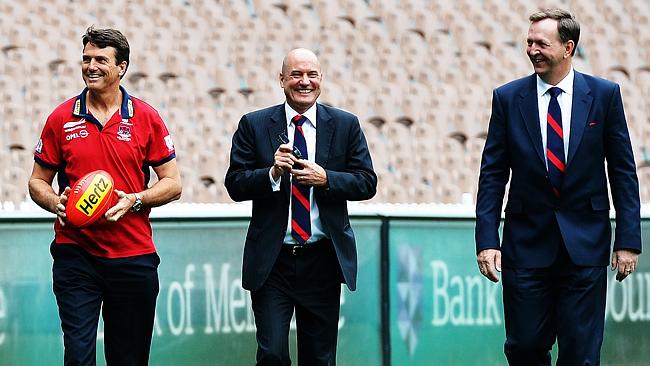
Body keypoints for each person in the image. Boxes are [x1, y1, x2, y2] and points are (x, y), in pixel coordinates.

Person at [475, 8, 642, 365]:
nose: (533, 49)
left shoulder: (604, 95)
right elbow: (492, 174)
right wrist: (487, 240)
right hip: (525, 246)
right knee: (524, 347)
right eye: (529, 42)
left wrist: (628, 240)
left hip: (585, 245)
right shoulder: (507, 98)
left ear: (568, 47)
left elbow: (623, 171)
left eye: (542, 43)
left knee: (581, 353)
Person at [28, 26, 182, 365]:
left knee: (128, 358)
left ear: (121, 68)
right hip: (76, 254)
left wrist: (136, 199)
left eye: (101, 59)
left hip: (133, 255)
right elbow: (37, 182)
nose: (91, 66)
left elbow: (172, 182)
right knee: (79, 356)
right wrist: (57, 203)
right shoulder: (60, 118)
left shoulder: (146, 117)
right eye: (86, 60)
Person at [225, 48, 377, 365]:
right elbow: (235, 184)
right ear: (281, 80)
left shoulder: (345, 124)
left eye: (311, 74)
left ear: (321, 79)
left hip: (322, 259)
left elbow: (367, 182)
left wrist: (327, 179)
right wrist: (272, 173)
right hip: (273, 261)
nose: (304, 81)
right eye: (296, 74)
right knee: (271, 354)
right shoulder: (253, 124)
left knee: (320, 359)